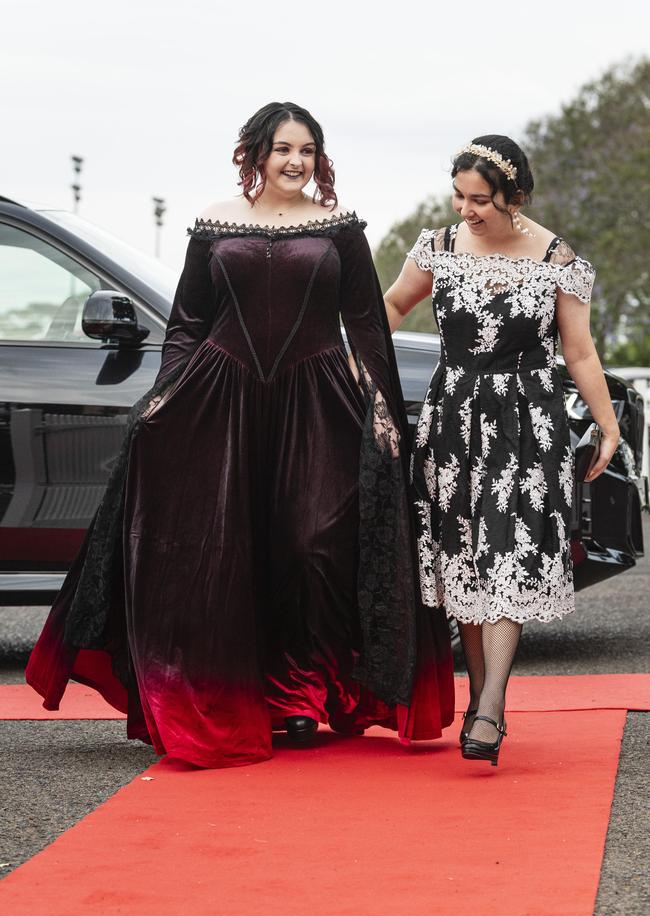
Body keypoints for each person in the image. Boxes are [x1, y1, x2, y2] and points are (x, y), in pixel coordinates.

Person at [26, 102, 454, 768]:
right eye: (284, 149)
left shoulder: (339, 228)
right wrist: (162, 396)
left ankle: (305, 691)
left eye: (308, 150)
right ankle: (254, 698)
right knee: (229, 551)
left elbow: (366, 323)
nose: (296, 161)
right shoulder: (213, 224)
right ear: (254, 153)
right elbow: (187, 325)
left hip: (317, 398)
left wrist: (381, 408)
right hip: (221, 398)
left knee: (314, 544)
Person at [383, 135, 619, 766]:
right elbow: (392, 307)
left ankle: (491, 705)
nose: (467, 209)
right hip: (452, 420)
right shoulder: (436, 248)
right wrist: (350, 364)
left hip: (528, 422)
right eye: (458, 196)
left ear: (515, 197)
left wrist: (608, 427)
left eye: (481, 199)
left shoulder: (555, 258)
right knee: (464, 554)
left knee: (508, 548)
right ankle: (480, 699)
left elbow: (580, 351)